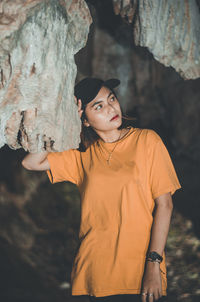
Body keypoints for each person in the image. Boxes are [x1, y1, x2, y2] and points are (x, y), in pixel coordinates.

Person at [22, 77, 182, 302]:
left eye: (112, 99)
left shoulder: (147, 141)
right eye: (98, 106)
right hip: (92, 273)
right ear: (85, 120)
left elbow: (165, 205)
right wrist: (65, 121)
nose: (111, 108)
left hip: (139, 272)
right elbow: (31, 162)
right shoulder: (82, 155)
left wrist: (154, 264)